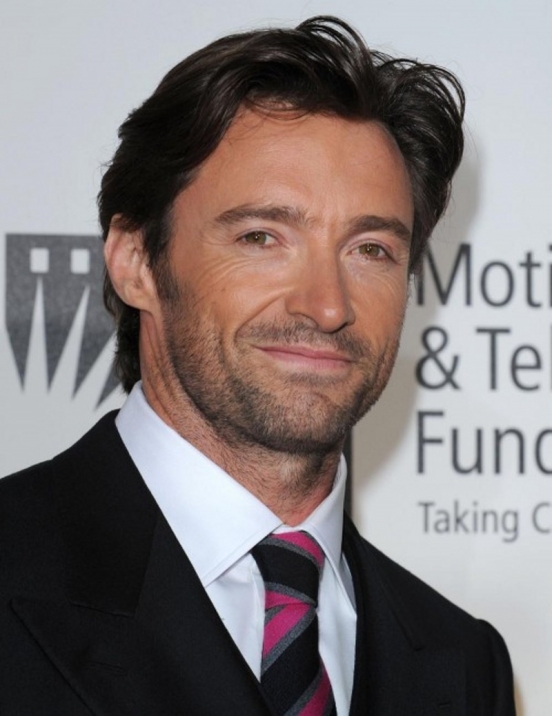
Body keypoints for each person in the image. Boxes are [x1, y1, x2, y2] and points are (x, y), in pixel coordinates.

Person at [0, 16, 515, 715]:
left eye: (371, 250)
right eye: (262, 237)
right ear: (136, 261)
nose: (327, 306)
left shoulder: (465, 664)